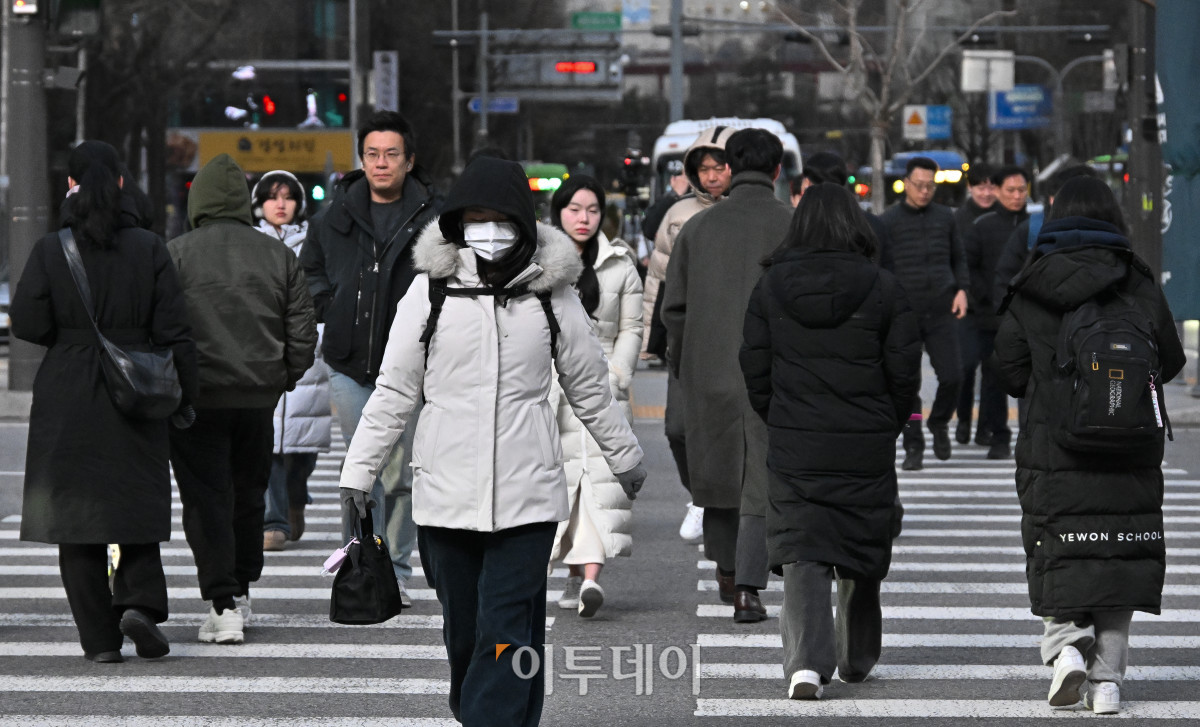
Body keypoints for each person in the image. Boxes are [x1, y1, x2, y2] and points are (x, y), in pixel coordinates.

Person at [338, 156, 645, 727]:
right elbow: (393, 391)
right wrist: (357, 474)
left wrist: (624, 456)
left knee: (503, 629)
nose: (490, 229)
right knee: (470, 637)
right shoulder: (429, 293)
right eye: (476, 217)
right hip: (446, 496)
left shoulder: (553, 296)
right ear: (456, 223)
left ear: (523, 224)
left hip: (527, 497)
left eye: (501, 218)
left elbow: (588, 386)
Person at [993, 177, 1185, 715]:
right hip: (1130, 449)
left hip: (1054, 449)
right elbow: (1170, 360)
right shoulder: (1137, 279)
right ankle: (1107, 683)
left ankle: (1066, 651)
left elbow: (1007, 368)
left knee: (1059, 547)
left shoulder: (1033, 282)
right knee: (1117, 554)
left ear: (1055, 215)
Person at [11, 140, 198, 662]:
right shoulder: (151, 247)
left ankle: (98, 641)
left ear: (70, 185)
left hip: (68, 389)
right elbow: (175, 331)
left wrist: (71, 336)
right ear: (120, 183)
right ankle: (138, 601)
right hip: (137, 386)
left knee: (76, 520)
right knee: (133, 503)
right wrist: (186, 396)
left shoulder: (52, 249)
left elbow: (27, 321)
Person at [740, 183, 921, 699]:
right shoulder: (883, 286)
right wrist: (886, 422)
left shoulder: (771, 286)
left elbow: (753, 363)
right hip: (864, 439)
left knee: (803, 547)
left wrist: (779, 415)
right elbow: (904, 370)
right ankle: (856, 656)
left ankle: (804, 664)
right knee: (861, 543)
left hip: (797, 438)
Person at [168, 153, 317, 645]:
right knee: (249, 493)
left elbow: (163, 328)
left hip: (197, 398)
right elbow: (300, 328)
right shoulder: (276, 255)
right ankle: (243, 587)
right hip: (258, 396)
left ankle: (222, 601)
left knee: (206, 499)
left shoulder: (177, 253)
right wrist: (285, 377)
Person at [300, 111, 440, 604]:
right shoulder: (334, 215)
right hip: (350, 363)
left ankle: (397, 568)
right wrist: (329, 303)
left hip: (411, 367)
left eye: (392, 154)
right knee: (360, 471)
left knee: (402, 472)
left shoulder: (434, 218)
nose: (382, 163)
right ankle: (360, 562)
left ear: (409, 160)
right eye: (373, 154)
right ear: (363, 159)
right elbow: (310, 269)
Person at [661, 128, 794, 623]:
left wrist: (684, 359)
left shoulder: (698, 229)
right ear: (778, 171)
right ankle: (748, 586)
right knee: (758, 473)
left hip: (708, 367)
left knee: (716, 470)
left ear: (732, 170)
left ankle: (725, 568)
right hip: (777, 370)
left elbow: (673, 309)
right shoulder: (796, 225)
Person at [546, 176, 644, 618]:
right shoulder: (539, 261)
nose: (583, 218)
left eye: (592, 210)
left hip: (603, 383)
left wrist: (619, 373)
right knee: (563, 479)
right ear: (558, 213)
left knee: (599, 482)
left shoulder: (621, 264)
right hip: (550, 385)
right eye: (573, 209)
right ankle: (573, 571)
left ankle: (589, 577)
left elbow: (632, 328)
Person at [642, 125, 737, 542]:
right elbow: (657, 280)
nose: (712, 176)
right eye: (704, 168)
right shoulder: (677, 215)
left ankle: (733, 510)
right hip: (687, 340)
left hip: (737, 343)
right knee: (677, 429)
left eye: (720, 167)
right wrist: (651, 340)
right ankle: (700, 495)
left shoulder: (752, 212)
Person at [251, 170, 332, 550]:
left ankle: (297, 498)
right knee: (268, 446)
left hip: (307, 351)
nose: (280, 203)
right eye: (271, 196)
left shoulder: (314, 242)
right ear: (259, 204)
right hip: (263, 350)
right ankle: (275, 520)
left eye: (287, 196)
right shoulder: (249, 242)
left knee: (302, 449)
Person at [880, 156, 969, 470]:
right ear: (906, 183)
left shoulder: (946, 217)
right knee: (907, 386)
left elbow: (959, 258)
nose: (925, 191)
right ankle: (913, 444)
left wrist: (962, 289)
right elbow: (881, 269)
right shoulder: (888, 221)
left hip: (942, 308)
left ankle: (940, 421)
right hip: (904, 314)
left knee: (953, 376)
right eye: (919, 185)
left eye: (930, 185)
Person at [959, 166, 1029, 459]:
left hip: (1029, 316)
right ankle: (997, 433)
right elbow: (968, 265)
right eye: (1010, 191)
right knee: (993, 377)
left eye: (1021, 190)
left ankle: (1027, 434)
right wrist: (985, 295)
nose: (1016, 196)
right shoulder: (983, 225)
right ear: (999, 191)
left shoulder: (1036, 224)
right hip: (990, 316)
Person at [952, 163, 998, 446]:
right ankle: (964, 420)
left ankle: (985, 427)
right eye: (980, 186)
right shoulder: (958, 219)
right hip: (967, 304)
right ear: (970, 188)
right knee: (966, 366)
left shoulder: (1004, 217)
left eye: (991, 186)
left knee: (993, 372)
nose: (986, 192)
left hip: (996, 306)